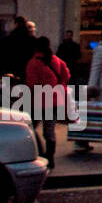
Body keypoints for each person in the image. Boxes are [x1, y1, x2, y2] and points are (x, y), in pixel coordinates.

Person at [24, 37, 70, 168]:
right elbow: (66, 76)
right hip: (55, 100)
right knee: (49, 130)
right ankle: (50, 157)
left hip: (40, 100)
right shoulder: (56, 60)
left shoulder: (33, 63)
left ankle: (40, 152)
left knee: (30, 128)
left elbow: (32, 84)